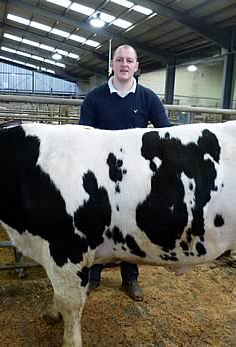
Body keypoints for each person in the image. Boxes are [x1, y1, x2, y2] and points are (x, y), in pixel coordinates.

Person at [79, 44, 171, 301]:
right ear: (112, 64)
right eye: (119, 59)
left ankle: (130, 278)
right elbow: (83, 136)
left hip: (134, 175)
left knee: (131, 223)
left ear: (136, 66)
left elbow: (166, 131)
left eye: (129, 60)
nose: (124, 64)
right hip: (99, 174)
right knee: (97, 222)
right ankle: (94, 273)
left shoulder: (147, 98)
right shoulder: (95, 97)